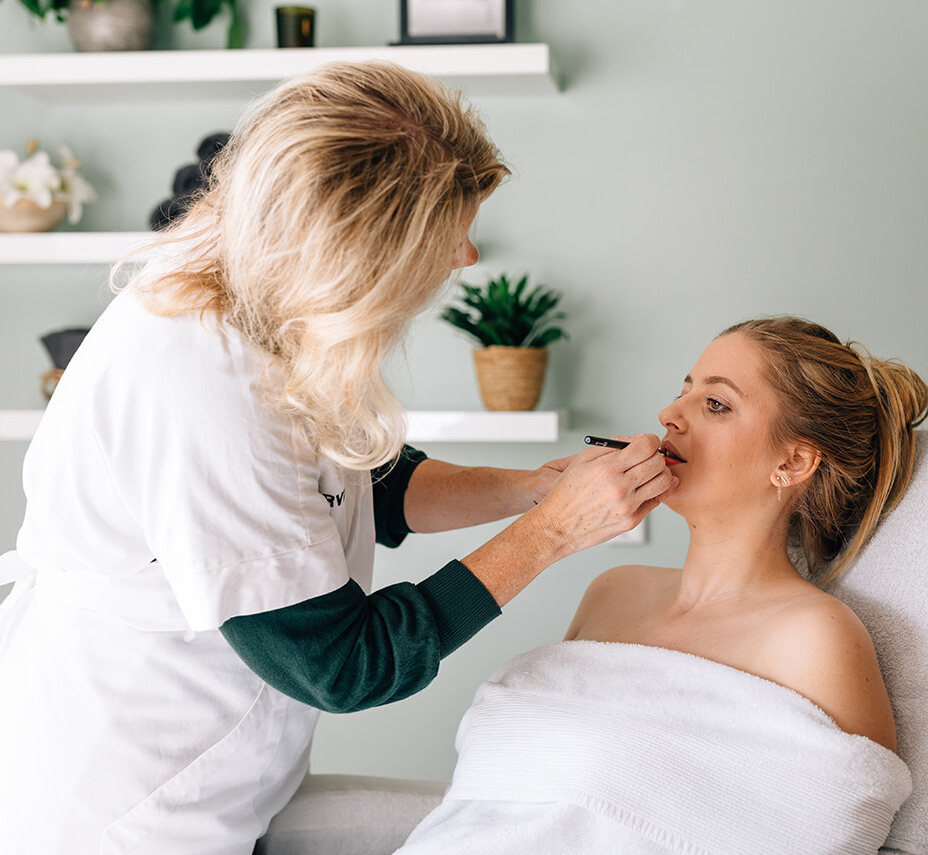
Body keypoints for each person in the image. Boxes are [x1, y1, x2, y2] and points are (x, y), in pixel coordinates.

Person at [0, 61, 675, 855]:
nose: (465, 255)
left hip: (228, 782)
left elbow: (363, 486)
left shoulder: (257, 288)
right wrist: (554, 533)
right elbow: (344, 665)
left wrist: (530, 490)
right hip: (128, 807)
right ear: (357, 253)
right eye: (445, 233)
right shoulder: (198, 383)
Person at [396, 316, 928, 855]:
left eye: (715, 404)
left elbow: (837, 833)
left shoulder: (816, 637)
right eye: (683, 392)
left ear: (791, 462)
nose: (668, 415)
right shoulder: (613, 590)